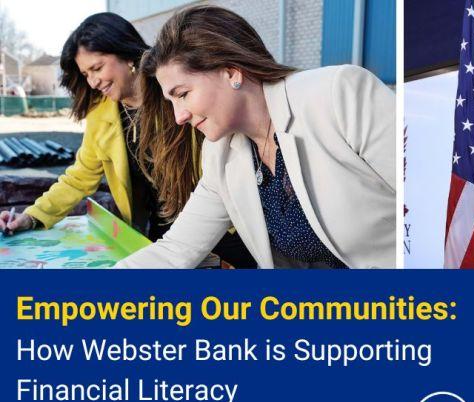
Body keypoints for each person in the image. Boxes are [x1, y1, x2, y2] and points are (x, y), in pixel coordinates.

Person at [114, 5, 395, 269]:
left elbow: (424, 201)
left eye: (183, 95)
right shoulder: (219, 153)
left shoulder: (337, 94)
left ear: (231, 72)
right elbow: (177, 249)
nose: (179, 116)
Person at [0, 13, 255, 267]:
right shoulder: (101, 115)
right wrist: (32, 216)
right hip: (162, 236)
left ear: (126, 55)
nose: (93, 81)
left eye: (97, 68)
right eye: (86, 73)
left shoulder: (175, 94)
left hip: (224, 230)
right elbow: (79, 178)